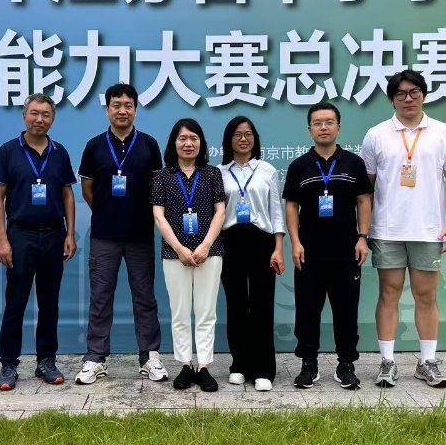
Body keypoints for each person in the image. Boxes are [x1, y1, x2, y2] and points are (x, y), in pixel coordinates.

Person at [360, 70, 446, 389]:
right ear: (391, 99)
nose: (409, 99)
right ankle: (387, 362)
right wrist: (363, 231)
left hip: (429, 230)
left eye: (414, 92)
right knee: (389, 294)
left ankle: (427, 361)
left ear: (424, 95)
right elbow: (366, 189)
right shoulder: (376, 135)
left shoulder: (443, 133)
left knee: (426, 295)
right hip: (387, 230)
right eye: (401, 94)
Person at [74, 83, 166, 385]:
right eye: (116, 105)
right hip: (104, 235)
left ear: (136, 110)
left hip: (140, 234)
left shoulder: (149, 145)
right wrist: (106, 211)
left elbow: (156, 190)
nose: (122, 111)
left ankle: (149, 356)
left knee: (145, 297)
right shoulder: (94, 145)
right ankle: (96, 358)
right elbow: (88, 190)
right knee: (100, 298)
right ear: (108, 110)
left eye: (128, 105)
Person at [0, 93, 77, 390]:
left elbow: (67, 194)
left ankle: (46, 361)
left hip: (54, 234)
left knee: (49, 303)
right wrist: (2, 239)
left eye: (46, 114)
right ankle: (8, 363)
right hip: (20, 235)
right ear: (24, 116)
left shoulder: (60, 152)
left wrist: (70, 233)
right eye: (34, 113)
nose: (40, 119)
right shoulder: (8, 151)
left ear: (53, 119)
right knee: (16, 302)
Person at [284, 102, 372, 390]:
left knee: (346, 310)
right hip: (309, 252)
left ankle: (346, 364)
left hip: (347, 251)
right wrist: (295, 242)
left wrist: (363, 237)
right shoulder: (299, 166)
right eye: (318, 123)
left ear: (338, 127)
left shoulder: (353, 163)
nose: (324, 127)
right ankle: (308, 364)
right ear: (309, 129)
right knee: (307, 310)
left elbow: (363, 201)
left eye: (329, 122)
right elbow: (292, 206)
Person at [151, 119, 225, 392]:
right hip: (174, 254)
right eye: (182, 138)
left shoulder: (212, 174)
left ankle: (204, 366)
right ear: (174, 143)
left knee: (206, 311)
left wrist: (206, 245)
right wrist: (180, 248)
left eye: (194, 138)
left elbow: (220, 212)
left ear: (201, 143)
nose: (188, 143)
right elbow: (159, 217)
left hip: (210, 252)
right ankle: (184, 364)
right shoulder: (162, 176)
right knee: (180, 311)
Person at [218, 116, 285, 392]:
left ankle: (263, 368)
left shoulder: (267, 170)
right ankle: (239, 364)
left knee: (261, 305)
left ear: (255, 139)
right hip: (230, 240)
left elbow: (276, 212)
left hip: (261, 241)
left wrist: (278, 248)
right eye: (237, 134)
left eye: (248, 134)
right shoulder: (219, 172)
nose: (243, 139)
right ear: (229, 139)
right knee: (236, 305)